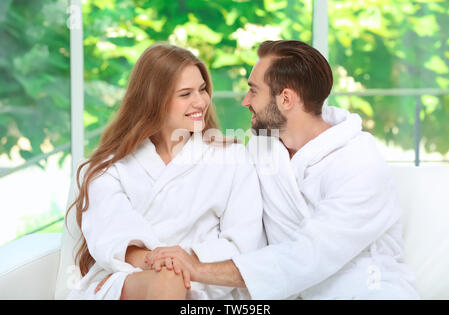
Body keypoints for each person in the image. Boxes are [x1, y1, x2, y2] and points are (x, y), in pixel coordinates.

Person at [146, 40, 421, 300]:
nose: (244, 100)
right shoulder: (262, 149)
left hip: (367, 291)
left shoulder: (359, 161)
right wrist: (134, 270)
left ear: (286, 99)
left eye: (253, 90)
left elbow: (310, 255)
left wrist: (197, 268)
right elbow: (203, 202)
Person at [65, 43, 267, 300]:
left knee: (172, 278)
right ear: (154, 101)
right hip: (132, 280)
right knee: (169, 279)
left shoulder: (233, 158)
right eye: (185, 94)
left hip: (205, 281)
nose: (200, 102)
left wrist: (187, 262)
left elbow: (244, 243)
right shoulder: (110, 168)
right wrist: (168, 263)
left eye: (202, 89)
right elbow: (114, 242)